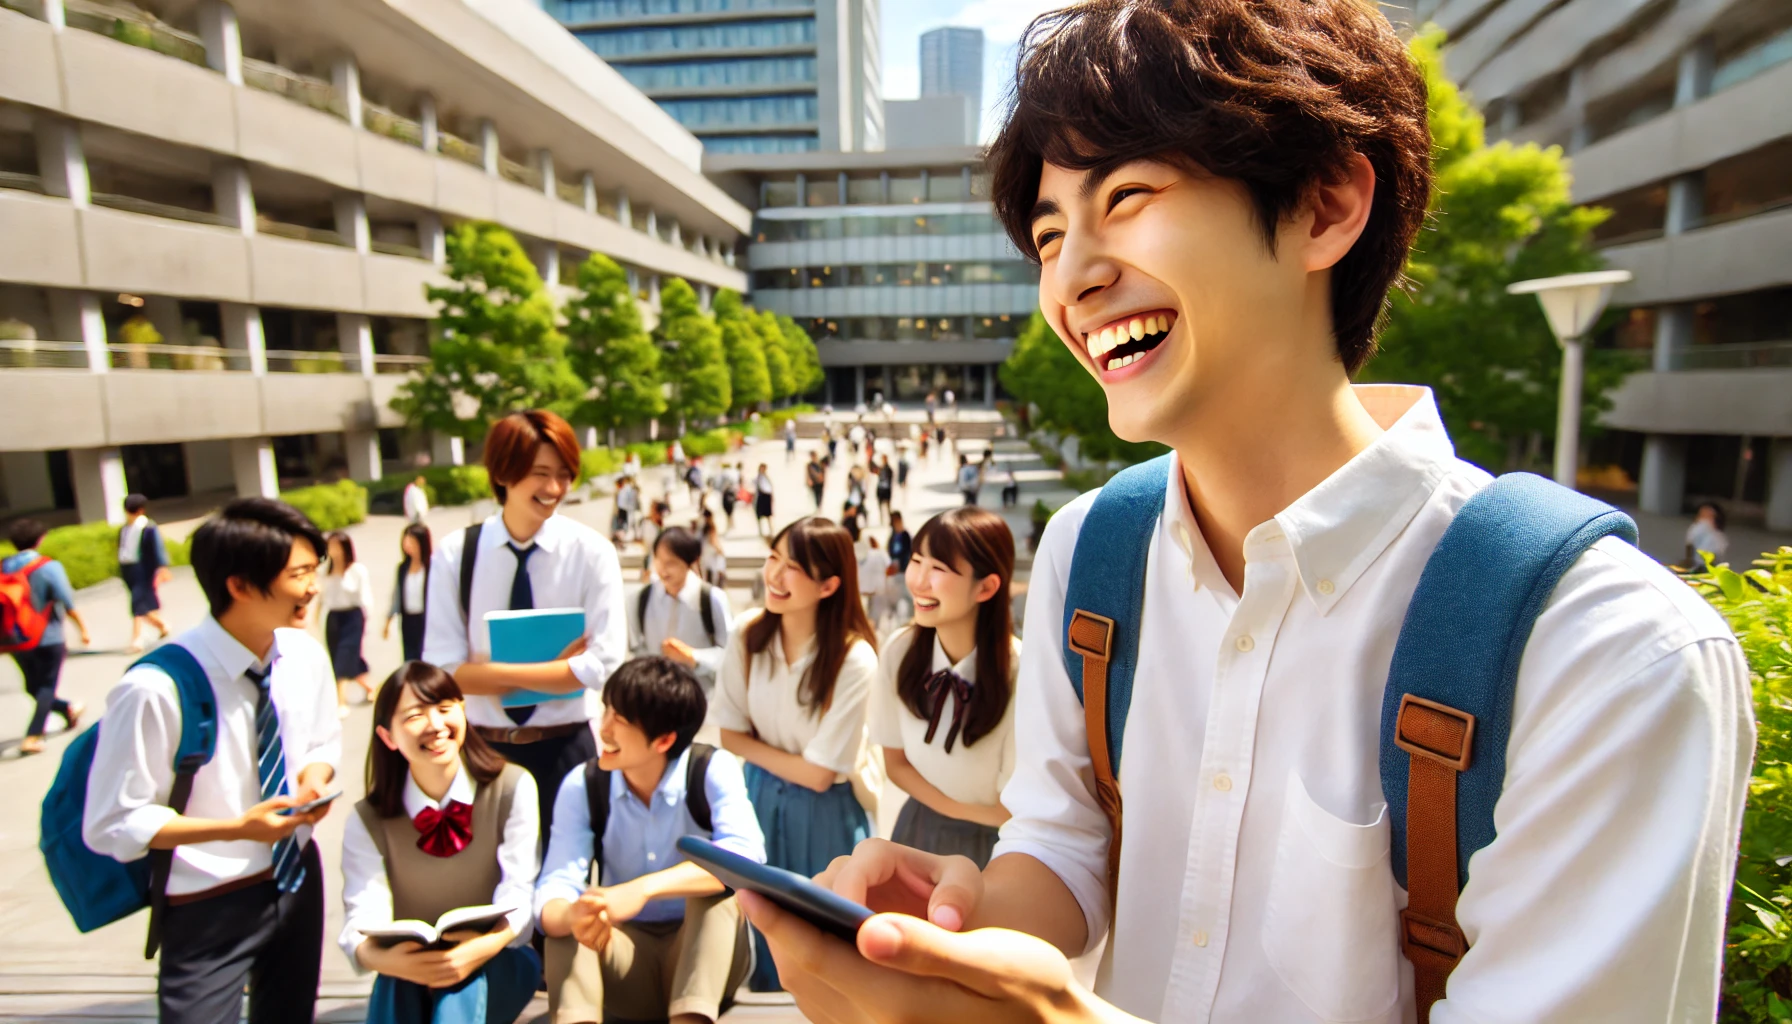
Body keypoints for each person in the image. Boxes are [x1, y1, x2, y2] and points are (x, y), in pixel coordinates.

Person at [744, 3, 1754, 1023]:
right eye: (1049, 235)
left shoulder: (1606, 651)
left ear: (1324, 206)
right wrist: (952, 929)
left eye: (1128, 196)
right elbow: (1062, 844)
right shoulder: (1090, 552)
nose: (1074, 278)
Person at [83, 497, 341, 1024]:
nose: (314, 587)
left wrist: (314, 782)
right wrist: (237, 828)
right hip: (206, 901)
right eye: (299, 574)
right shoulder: (153, 689)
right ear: (240, 585)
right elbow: (112, 823)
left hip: (296, 880)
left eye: (316, 569)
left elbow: (320, 741)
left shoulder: (304, 654)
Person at [423, 409, 628, 851]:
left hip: (567, 750)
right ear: (503, 472)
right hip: (482, 752)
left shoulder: (592, 553)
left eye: (563, 474)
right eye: (540, 473)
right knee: (488, 890)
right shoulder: (457, 554)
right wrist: (554, 670)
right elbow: (441, 669)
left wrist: (488, 673)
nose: (554, 488)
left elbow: (604, 664)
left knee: (564, 890)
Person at [537, 656, 765, 1024]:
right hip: (625, 960)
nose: (604, 728)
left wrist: (643, 890)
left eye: (620, 720)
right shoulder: (583, 784)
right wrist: (572, 914)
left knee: (718, 895)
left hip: (707, 963)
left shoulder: (710, 769)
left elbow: (746, 858)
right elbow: (554, 885)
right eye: (605, 710)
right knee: (571, 921)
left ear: (664, 740)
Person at [708, 518, 878, 991]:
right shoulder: (748, 634)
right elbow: (729, 734)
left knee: (829, 950)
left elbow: (823, 776)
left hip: (827, 814)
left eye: (793, 567)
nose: (774, 575)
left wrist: (769, 755)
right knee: (764, 936)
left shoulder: (854, 658)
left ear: (829, 585)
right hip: (757, 796)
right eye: (772, 558)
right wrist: (796, 766)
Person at [342, 661, 541, 1024]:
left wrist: (473, 952)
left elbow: (519, 895)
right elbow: (362, 915)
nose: (435, 725)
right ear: (388, 736)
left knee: (458, 987)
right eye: (415, 715)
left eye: (446, 709)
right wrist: (394, 962)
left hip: (499, 958)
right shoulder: (367, 819)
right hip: (407, 968)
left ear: (463, 712)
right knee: (396, 983)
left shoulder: (513, 787)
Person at [872, 507, 1018, 866]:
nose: (918, 581)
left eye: (937, 569)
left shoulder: (1022, 673)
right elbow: (895, 763)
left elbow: (1011, 810)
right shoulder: (901, 650)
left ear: (986, 587)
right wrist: (945, 808)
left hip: (993, 847)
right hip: (916, 827)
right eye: (916, 561)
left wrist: (950, 811)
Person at [6, 519, 90, 756]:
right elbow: (67, 600)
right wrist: (83, 629)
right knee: (45, 686)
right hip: (48, 636)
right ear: (40, 539)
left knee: (33, 687)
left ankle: (67, 709)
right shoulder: (48, 567)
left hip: (15, 638)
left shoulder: (4, 567)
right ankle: (32, 736)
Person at [631, 528, 734, 692]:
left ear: (690, 563)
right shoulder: (642, 598)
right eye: (658, 560)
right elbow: (636, 648)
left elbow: (731, 655)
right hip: (656, 700)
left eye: (671, 563)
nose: (663, 570)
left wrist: (693, 657)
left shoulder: (711, 598)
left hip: (701, 700)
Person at [321, 531, 375, 715]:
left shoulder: (356, 570)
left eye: (336, 546)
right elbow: (321, 597)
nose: (333, 550)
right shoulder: (325, 571)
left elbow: (365, 598)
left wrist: (366, 623)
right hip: (334, 617)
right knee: (339, 657)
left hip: (353, 617)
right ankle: (370, 688)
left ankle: (341, 702)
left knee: (344, 657)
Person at [116, 493, 174, 653]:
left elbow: (157, 548)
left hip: (142, 568)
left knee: (137, 604)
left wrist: (162, 567)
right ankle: (162, 626)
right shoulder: (125, 528)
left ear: (140, 511)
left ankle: (136, 640)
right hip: (128, 569)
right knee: (143, 604)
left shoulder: (148, 527)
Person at [383, 523, 432, 663]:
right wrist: (388, 620)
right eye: (406, 541)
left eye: (412, 541)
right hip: (408, 619)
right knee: (410, 658)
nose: (408, 545)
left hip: (426, 619)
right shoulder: (402, 568)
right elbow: (397, 596)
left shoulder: (431, 566)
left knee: (426, 656)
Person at [858, 534, 891, 628]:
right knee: (876, 614)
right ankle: (873, 629)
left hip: (864, 588)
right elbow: (889, 566)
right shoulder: (881, 553)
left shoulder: (862, 554)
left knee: (866, 612)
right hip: (878, 587)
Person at [1685, 501, 1729, 566]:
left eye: (1708, 516)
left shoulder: (1719, 538)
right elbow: (1689, 543)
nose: (1703, 520)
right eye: (1701, 515)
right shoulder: (1696, 528)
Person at [754, 463, 775, 539]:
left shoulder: (767, 477)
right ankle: (760, 531)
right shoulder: (758, 478)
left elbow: (770, 488)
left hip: (767, 497)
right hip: (761, 497)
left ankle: (771, 530)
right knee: (759, 515)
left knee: (768, 515)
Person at [718, 462, 741, 528]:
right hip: (732, 492)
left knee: (727, 509)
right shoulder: (734, 472)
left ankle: (729, 524)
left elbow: (722, 484)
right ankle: (731, 524)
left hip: (727, 492)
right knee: (731, 509)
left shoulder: (724, 473)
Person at [875, 456, 895, 524]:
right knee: (881, 507)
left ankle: (889, 520)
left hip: (886, 490)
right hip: (881, 490)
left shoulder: (888, 469)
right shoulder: (880, 469)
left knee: (888, 507)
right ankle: (882, 519)